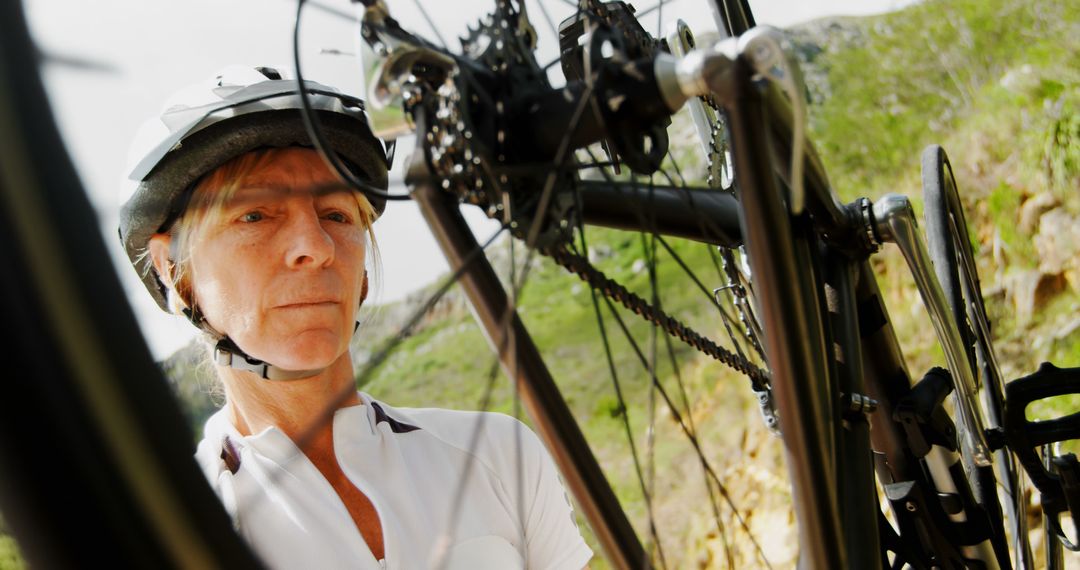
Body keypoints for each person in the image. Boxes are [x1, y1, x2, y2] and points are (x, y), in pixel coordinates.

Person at [119, 65, 593, 570]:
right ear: (174, 271)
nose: (316, 248)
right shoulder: (171, 535)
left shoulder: (499, 455)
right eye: (255, 214)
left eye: (337, 215)